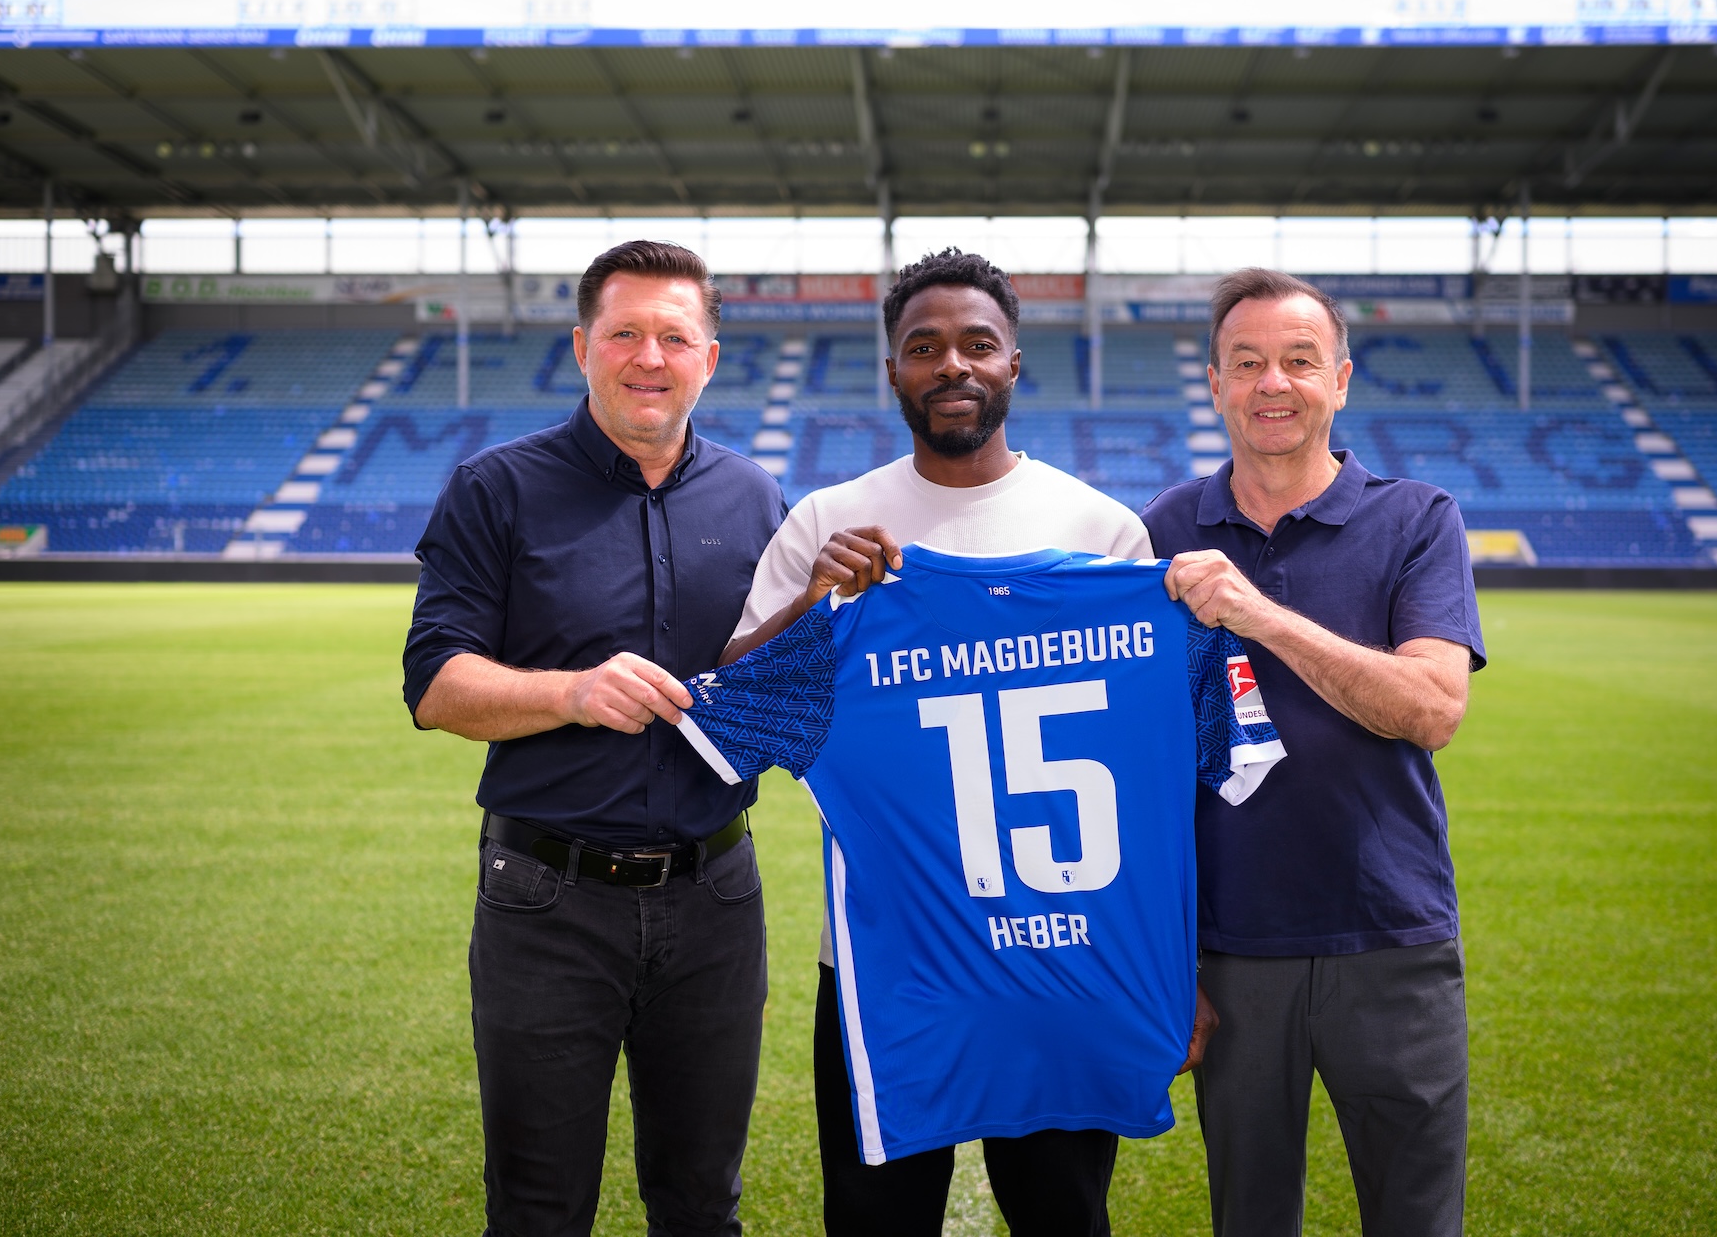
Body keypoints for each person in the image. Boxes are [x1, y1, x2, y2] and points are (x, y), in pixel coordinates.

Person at [724, 247, 1207, 1237]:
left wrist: (1177, 964)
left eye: (977, 343)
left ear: (1015, 362)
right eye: (924, 346)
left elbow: (1162, 771)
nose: (953, 364)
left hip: (1062, 946)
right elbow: (732, 706)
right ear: (895, 369)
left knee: (1064, 1214)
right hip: (884, 959)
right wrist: (815, 600)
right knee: (873, 1218)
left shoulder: (1103, 532)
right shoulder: (829, 521)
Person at [402, 240, 786, 1237]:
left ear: (709, 356)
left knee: (703, 1204)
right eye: (624, 332)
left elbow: (788, 681)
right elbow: (436, 685)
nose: (647, 356)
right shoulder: (496, 488)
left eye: (673, 336)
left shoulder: (757, 498)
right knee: (537, 1208)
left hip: (716, 898)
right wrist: (574, 690)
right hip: (548, 901)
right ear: (582, 346)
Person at [1143, 267, 1485, 1237]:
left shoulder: (1417, 518)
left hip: (1394, 936)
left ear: (1340, 377)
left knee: (1417, 1215)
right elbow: (1141, 764)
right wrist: (1167, 958)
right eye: (1246, 363)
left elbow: (1430, 707)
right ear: (1214, 383)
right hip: (1234, 947)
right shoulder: (1161, 530)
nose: (1272, 383)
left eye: (1297, 360)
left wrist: (1259, 614)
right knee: (1250, 1217)